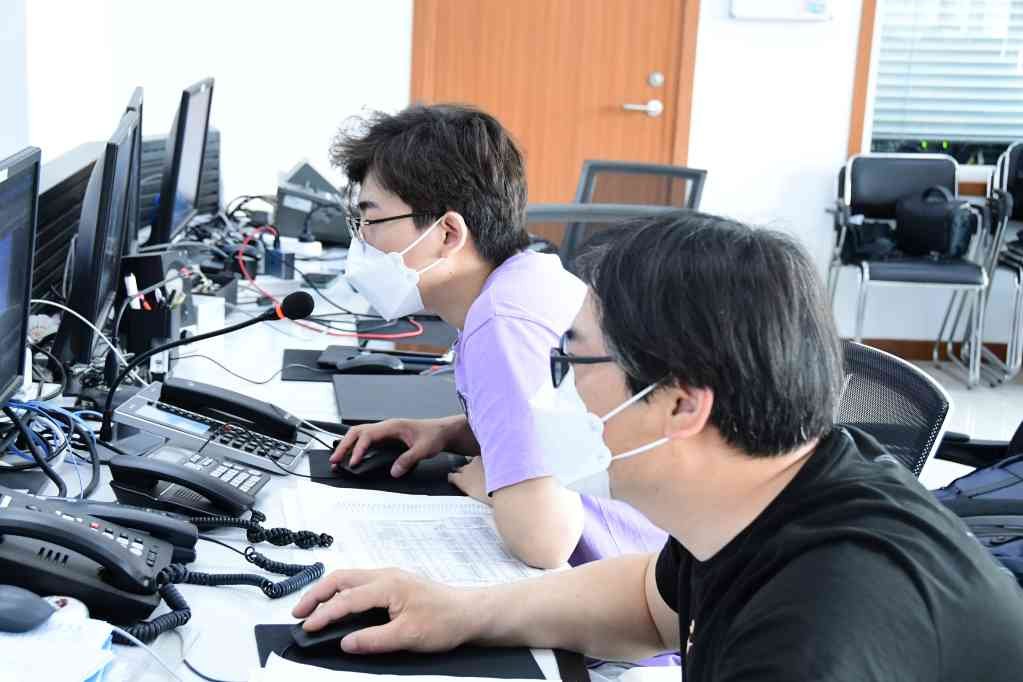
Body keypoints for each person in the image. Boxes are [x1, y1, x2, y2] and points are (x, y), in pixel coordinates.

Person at [296, 213, 1023, 680]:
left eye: (573, 361)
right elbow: (652, 601)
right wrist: (461, 611)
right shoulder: (786, 487)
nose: (555, 391)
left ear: (680, 404)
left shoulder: (814, 640)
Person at [330, 104, 665, 569]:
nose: (361, 240)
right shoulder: (527, 279)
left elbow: (545, 541)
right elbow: (557, 431)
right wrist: (456, 432)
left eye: (371, 221)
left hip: (623, 573)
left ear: (448, 233)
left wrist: (490, 481)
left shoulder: (501, 323)